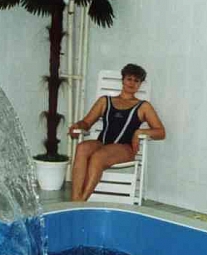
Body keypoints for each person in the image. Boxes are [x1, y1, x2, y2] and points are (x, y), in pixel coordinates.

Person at [68, 63, 166, 202]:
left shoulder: (144, 106)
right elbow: (87, 123)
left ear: (140, 84)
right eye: (129, 79)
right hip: (102, 143)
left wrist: (139, 132)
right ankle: (75, 200)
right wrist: (78, 125)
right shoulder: (105, 101)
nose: (132, 83)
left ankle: (80, 202)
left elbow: (161, 132)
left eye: (136, 80)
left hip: (125, 148)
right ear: (123, 80)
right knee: (82, 147)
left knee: (98, 156)